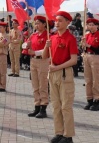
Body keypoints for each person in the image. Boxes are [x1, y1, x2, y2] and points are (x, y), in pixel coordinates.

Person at [43, 11, 78, 143]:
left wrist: (57, 68)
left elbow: (74, 60)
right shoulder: (52, 37)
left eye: (60, 21)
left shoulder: (70, 38)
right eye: (56, 20)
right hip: (53, 72)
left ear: (68, 23)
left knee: (66, 106)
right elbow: (45, 56)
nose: (57, 23)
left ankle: (68, 135)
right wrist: (46, 47)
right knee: (56, 105)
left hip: (64, 73)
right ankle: (59, 132)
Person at [27, 15, 50, 118]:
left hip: (43, 61)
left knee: (43, 86)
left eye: (38, 23)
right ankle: (36, 106)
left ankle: (43, 107)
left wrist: (34, 52)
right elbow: (29, 48)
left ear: (44, 24)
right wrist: (26, 46)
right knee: (35, 85)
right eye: (35, 23)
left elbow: (47, 50)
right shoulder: (33, 35)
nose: (36, 25)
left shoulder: (48, 35)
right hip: (33, 61)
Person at [81, 18, 99, 111]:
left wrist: (89, 46)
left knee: (96, 80)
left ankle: (97, 100)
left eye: (93, 25)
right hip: (87, 56)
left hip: (96, 57)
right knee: (88, 80)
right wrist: (83, 45)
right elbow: (84, 48)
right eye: (89, 25)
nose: (91, 26)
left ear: (97, 26)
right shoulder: (87, 35)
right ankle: (89, 99)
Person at [0, 22, 9, 92]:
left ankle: (3, 86)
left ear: (5, 28)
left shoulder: (7, 36)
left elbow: (3, 44)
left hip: (2, 54)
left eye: (1, 27)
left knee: (2, 71)